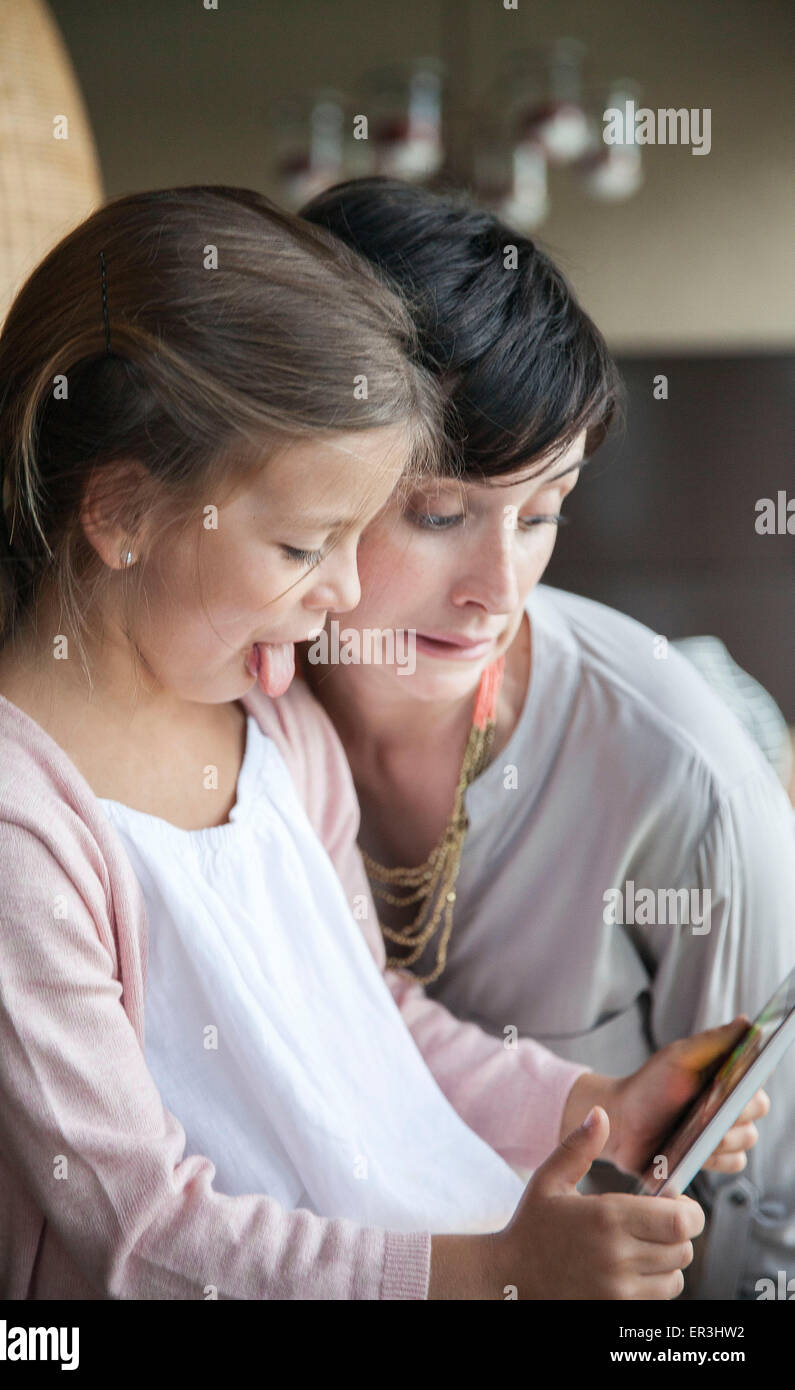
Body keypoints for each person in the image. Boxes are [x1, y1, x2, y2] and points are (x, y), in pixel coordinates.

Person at [0, 186, 766, 1302]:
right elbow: (132, 1239)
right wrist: (491, 1272)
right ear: (123, 514)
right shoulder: (0, 813)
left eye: (542, 509)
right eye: (304, 545)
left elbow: (380, 1026)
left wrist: (587, 1102)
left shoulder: (272, 720)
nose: (342, 592)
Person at [254, 176, 795, 1301]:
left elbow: (750, 1215)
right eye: (443, 515)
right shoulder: (232, 709)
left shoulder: (685, 792)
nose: (497, 589)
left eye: (543, 511)